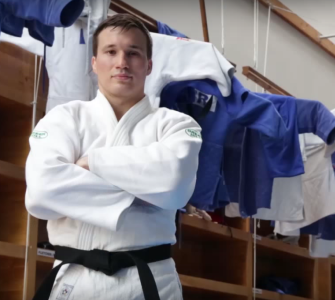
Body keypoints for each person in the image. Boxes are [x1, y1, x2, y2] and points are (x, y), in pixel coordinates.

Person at [25, 13, 202, 300]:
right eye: (111, 51)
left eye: (133, 53)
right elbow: (42, 191)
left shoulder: (178, 124)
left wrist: (91, 162)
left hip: (148, 280)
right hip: (73, 280)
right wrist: (140, 191)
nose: (122, 62)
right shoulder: (64, 118)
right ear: (94, 63)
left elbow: (174, 186)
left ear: (148, 65)